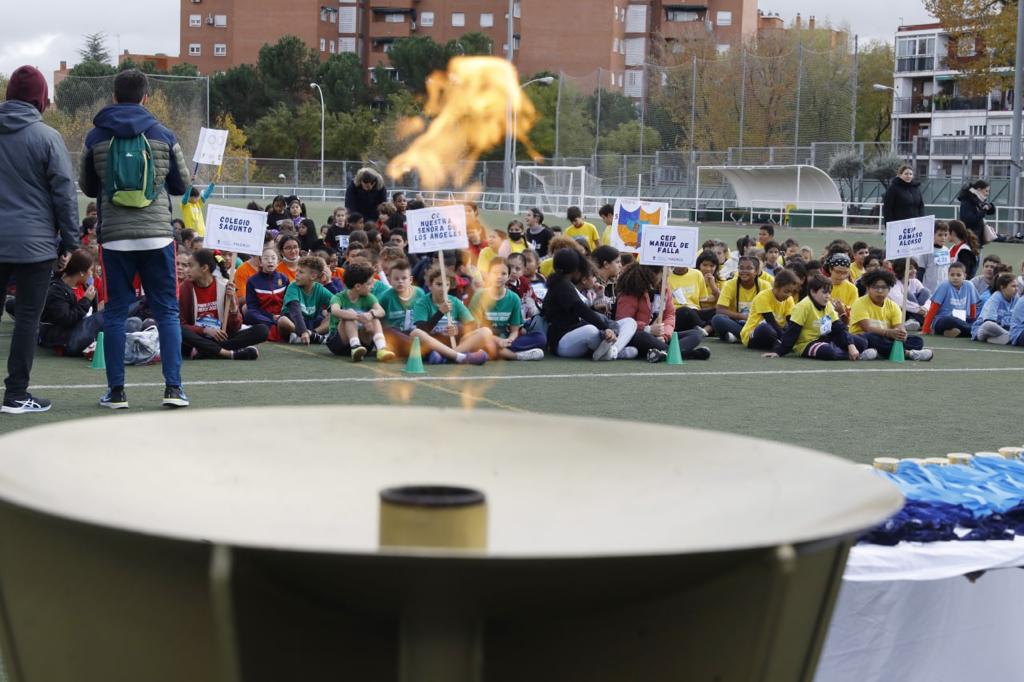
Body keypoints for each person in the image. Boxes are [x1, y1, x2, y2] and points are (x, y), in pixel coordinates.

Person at [79, 69, 190, 410]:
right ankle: (174, 389)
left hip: (114, 238)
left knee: (114, 313)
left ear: (114, 97)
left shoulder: (96, 136)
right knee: (167, 312)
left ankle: (116, 393)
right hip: (157, 236)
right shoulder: (164, 133)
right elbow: (181, 185)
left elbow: (87, 187)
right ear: (146, 97)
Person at [0, 65, 80, 413]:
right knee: (28, 319)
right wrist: (71, 241)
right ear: (41, 99)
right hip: (34, 244)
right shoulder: (47, 137)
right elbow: (64, 193)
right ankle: (16, 393)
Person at [541, 250, 636, 360]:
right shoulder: (561, 285)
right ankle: (614, 352)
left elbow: (584, 311)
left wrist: (605, 326)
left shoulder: (564, 283)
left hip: (576, 336)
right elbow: (582, 310)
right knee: (590, 330)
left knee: (629, 322)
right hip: (562, 342)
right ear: (575, 269)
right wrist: (605, 328)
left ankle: (613, 350)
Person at [178, 249, 267, 362]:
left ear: (204, 268)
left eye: (191, 266)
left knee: (262, 330)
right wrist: (205, 330)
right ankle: (228, 353)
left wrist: (234, 307)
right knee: (178, 329)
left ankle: (205, 351)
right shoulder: (185, 288)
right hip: (196, 339)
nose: (187, 270)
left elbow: (235, 327)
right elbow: (182, 324)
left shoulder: (225, 285)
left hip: (221, 337)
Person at [763, 274, 874, 361]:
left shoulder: (828, 305)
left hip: (825, 339)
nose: (828, 296)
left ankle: (848, 351)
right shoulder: (803, 306)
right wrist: (779, 352)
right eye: (824, 292)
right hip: (807, 344)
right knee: (828, 352)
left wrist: (851, 345)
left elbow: (838, 328)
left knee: (861, 343)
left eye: (829, 292)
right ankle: (855, 356)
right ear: (813, 292)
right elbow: (792, 331)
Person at [614, 262, 710, 362]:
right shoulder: (631, 289)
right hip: (637, 336)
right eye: (668, 268)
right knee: (643, 337)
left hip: (660, 337)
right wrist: (648, 329)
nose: (670, 272)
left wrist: (664, 336)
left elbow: (670, 315)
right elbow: (624, 322)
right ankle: (686, 353)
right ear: (655, 273)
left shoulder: (664, 288)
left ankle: (663, 353)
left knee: (695, 334)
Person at [410, 266, 491, 365]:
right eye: (439, 284)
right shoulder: (422, 303)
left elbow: (472, 325)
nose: (443, 288)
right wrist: (440, 313)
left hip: (453, 344)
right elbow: (422, 329)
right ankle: (459, 356)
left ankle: (450, 356)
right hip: (433, 344)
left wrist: (458, 329)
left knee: (486, 332)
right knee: (416, 333)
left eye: (446, 285)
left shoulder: (454, 301)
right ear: (430, 285)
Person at [470, 257, 545, 361]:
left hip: (506, 341)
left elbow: (514, 330)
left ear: (509, 276)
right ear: (488, 275)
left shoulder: (514, 298)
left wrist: (509, 340)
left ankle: (497, 353)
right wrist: (497, 340)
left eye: (503, 273)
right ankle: (514, 356)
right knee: (475, 342)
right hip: (485, 339)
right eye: (495, 273)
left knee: (540, 338)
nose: (499, 277)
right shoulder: (479, 295)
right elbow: (475, 330)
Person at [849, 269, 933, 361]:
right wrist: (889, 333)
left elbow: (898, 327)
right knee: (871, 337)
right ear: (868, 288)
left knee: (917, 341)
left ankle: (879, 354)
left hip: (886, 339)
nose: (880, 291)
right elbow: (867, 328)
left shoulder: (893, 306)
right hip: (862, 338)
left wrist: (902, 334)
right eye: (875, 287)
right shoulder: (859, 303)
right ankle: (909, 354)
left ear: (889, 289)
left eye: (883, 287)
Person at [38, 249, 103, 357]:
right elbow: (66, 320)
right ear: (82, 272)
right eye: (91, 270)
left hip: (87, 333)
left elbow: (93, 316)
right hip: (67, 339)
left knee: (133, 321)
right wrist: (86, 301)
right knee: (108, 315)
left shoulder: (86, 287)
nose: (92, 274)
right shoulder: (56, 291)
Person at [326, 263, 396, 362]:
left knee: (374, 316)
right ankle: (355, 346)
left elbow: (381, 311)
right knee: (349, 314)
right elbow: (335, 311)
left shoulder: (369, 297)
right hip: (340, 344)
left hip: (364, 345)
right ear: (358, 286)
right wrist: (357, 316)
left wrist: (370, 315)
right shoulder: (339, 297)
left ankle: (381, 349)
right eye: (369, 283)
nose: (373, 285)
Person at [740, 270, 799, 350]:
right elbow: (771, 322)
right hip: (754, 334)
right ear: (776, 287)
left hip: (775, 333)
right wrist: (786, 339)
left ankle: (778, 343)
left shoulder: (789, 299)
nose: (789, 295)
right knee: (765, 328)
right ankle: (779, 343)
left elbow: (791, 320)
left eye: (791, 292)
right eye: (786, 291)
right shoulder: (763, 297)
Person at [282, 255, 333, 345]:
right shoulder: (293, 287)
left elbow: (336, 304)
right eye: (297, 271)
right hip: (294, 321)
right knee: (282, 321)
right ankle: (309, 336)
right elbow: (295, 311)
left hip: (311, 324)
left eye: (301, 272)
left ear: (313, 276)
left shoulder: (320, 289)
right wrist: (303, 331)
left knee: (335, 316)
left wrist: (332, 311)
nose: (296, 274)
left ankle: (312, 334)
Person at [243, 246, 290, 341]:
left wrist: (282, 316)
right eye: (266, 258)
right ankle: (280, 331)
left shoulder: (284, 278)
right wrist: (272, 317)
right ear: (260, 262)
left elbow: (288, 302)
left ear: (278, 261)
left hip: (282, 316)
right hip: (264, 316)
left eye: (273, 258)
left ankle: (272, 331)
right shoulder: (252, 281)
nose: (270, 261)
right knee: (249, 314)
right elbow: (253, 307)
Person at [712, 256, 763, 343]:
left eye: (749, 268)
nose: (744, 271)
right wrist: (743, 316)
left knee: (766, 327)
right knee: (717, 319)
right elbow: (720, 310)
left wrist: (752, 320)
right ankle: (748, 336)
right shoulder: (730, 284)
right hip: (736, 322)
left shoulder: (765, 285)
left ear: (757, 271)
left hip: (756, 324)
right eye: (741, 268)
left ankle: (738, 336)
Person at [377, 259, 423, 356]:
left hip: (414, 333)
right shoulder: (385, 297)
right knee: (390, 331)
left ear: (410, 280)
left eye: (404, 278)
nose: (400, 282)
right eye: (396, 279)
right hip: (394, 335)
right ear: (389, 280)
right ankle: (423, 351)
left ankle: (427, 350)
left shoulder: (419, 293)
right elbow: (378, 319)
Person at [922, 261, 978, 338]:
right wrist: (926, 328)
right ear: (948, 275)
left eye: (958, 275)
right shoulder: (944, 285)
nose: (955, 277)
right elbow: (933, 308)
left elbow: (973, 306)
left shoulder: (969, 285)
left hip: (963, 320)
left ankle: (959, 332)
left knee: (978, 320)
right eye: (952, 275)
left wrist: (973, 320)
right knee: (950, 320)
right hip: (943, 320)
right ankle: (974, 331)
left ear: (964, 276)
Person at [971, 273, 1016, 345]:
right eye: (1013, 286)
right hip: (984, 330)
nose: (1016, 289)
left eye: (1016, 286)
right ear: (1002, 287)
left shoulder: (1016, 299)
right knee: (988, 325)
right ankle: (1012, 337)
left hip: (1003, 331)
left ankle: (997, 339)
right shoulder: (996, 297)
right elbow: (989, 320)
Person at [889, 258, 931, 331]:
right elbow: (900, 302)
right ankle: (922, 321)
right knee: (908, 293)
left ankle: (915, 320)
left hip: (919, 311)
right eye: (910, 268)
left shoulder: (915, 281)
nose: (914, 271)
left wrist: (925, 308)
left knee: (926, 291)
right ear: (900, 270)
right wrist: (918, 310)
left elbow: (929, 298)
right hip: (902, 313)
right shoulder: (894, 284)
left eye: (915, 268)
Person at [957, 179, 996, 249]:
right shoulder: (967, 201)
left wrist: (990, 206)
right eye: (986, 191)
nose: (987, 193)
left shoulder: (977, 201)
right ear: (979, 189)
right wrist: (983, 211)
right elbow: (969, 220)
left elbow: (991, 212)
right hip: (970, 240)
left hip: (975, 239)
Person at [916, 220, 951, 294]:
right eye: (940, 235)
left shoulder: (947, 250)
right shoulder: (926, 250)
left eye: (945, 235)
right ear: (932, 234)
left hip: (944, 289)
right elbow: (921, 270)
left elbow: (947, 269)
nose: (943, 238)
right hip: (929, 289)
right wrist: (920, 288)